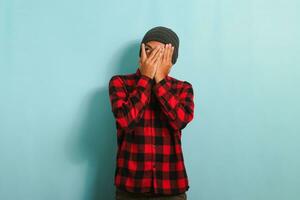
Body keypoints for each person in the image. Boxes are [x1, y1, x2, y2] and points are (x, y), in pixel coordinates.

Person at [108, 26, 194, 199]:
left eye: (160, 53)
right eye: (148, 50)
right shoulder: (120, 83)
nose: (152, 57)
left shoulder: (183, 88)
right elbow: (126, 121)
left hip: (171, 186)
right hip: (131, 187)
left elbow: (180, 121)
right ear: (141, 54)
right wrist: (146, 78)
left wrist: (160, 80)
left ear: (171, 59)